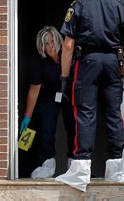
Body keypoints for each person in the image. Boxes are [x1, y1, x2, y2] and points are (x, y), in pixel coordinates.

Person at [55, 0, 124, 191]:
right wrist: (123, 70)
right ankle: (116, 170)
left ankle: (81, 171)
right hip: (112, 62)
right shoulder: (118, 6)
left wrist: (64, 76)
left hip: (87, 63)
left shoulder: (78, 5)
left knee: (85, 113)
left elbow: (69, 45)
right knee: (113, 113)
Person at [20, 26, 75, 179]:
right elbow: (34, 89)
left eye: (52, 42)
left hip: (70, 92)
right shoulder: (38, 60)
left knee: (73, 126)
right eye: (46, 43)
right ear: (41, 46)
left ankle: (75, 163)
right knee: (46, 125)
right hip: (51, 93)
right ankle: (46, 163)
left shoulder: (69, 53)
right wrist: (27, 115)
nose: (50, 46)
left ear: (58, 40)